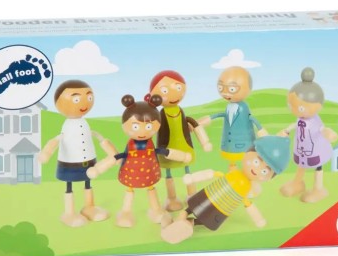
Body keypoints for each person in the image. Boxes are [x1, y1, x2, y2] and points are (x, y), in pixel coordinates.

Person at [87, 94, 192, 227]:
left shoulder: (150, 144)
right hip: (131, 172)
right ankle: (126, 212)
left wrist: (182, 156)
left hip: (149, 172)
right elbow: (117, 157)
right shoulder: (131, 145)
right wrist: (98, 168)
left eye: (148, 127)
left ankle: (156, 210)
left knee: (151, 189)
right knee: (130, 190)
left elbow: (165, 152)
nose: (142, 132)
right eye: (136, 127)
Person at [161, 136, 289, 244]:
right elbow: (211, 174)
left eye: (265, 171)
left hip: (222, 209)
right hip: (208, 195)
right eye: (256, 161)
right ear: (248, 152)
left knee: (205, 218)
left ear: (270, 178)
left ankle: (185, 223)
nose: (257, 169)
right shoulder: (233, 175)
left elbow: (248, 205)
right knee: (192, 207)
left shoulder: (246, 188)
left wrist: (258, 219)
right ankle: (182, 218)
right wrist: (192, 178)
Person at [38, 80, 115, 227]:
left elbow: (96, 135)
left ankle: (89, 207)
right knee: (69, 185)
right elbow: (57, 139)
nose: (84, 103)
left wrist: (108, 147)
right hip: (69, 162)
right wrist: (47, 152)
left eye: (89, 97)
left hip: (89, 161)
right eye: (76, 99)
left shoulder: (85, 123)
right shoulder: (67, 126)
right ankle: (69, 213)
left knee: (88, 182)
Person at [149, 70, 212, 211]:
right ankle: (171, 198)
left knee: (187, 170)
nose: (173, 94)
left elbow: (193, 124)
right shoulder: (161, 114)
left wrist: (204, 142)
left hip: (185, 147)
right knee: (169, 172)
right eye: (165, 91)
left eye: (178, 88)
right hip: (167, 149)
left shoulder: (180, 111)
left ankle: (191, 195)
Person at [278, 67, 338, 203]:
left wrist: (328, 133)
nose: (294, 110)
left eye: (299, 107)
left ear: (318, 105)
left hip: (315, 149)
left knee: (318, 167)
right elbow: (296, 125)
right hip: (301, 148)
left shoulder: (315, 120)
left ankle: (318, 189)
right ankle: (297, 183)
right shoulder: (300, 118)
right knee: (301, 164)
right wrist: (286, 130)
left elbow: (322, 129)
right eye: (291, 106)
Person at [199, 66, 267, 168]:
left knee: (246, 160)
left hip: (244, 144)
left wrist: (261, 130)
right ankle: (232, 168)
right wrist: (209, 118)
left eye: (231, 89)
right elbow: (222, 115)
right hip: (228, 145)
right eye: (221, 88)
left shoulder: (243, 108)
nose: (225, 93)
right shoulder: (228, 106)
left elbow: (251, 118)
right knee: (231, 161)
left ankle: (246, 170)